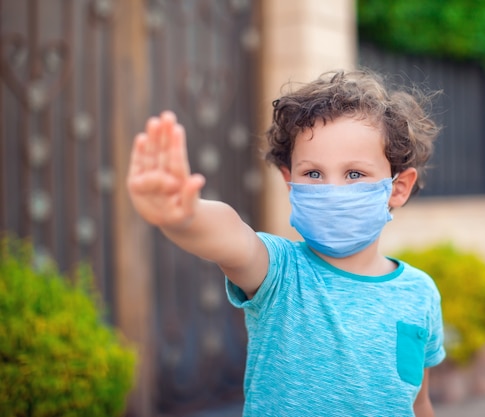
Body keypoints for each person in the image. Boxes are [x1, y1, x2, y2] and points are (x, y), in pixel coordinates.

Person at [127, 69, 445, 417]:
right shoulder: (278, 271)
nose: (332, 190)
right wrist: (184, 217)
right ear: (290, 181)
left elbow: (418, 402)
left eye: (355, 174)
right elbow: (231, 237)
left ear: (398, 188)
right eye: (313, 174)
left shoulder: (420, 293)